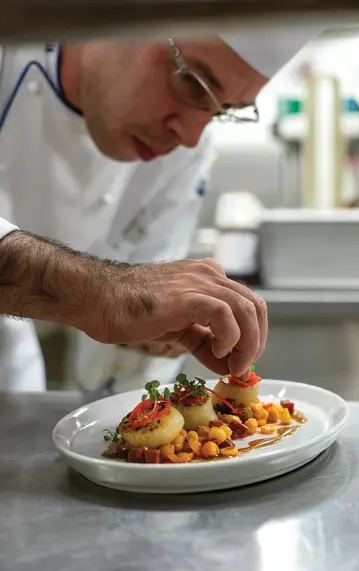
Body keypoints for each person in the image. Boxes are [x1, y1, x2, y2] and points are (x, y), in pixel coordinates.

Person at [0, 26, 320, 393]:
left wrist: (151, 339)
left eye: (223, 111)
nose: (189, 136)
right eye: (194, 85)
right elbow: (119, 293)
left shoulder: (184, 156)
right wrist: (106, 291)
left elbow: (146, 322)